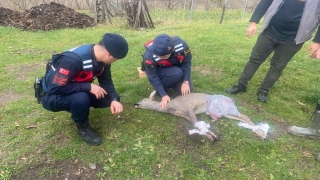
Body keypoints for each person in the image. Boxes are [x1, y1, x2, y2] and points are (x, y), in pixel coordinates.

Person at [40, 33, 128, 145]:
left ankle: (78, 107)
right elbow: (55, 88)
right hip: (51, 96)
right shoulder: (72, 61)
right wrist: (88, 86)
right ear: (109, 54)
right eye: (116, 59)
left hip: (71, 87)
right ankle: (83, 128)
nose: (115, 61)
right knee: (81, 99)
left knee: (108, 98)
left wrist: (114, 99)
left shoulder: (101, 59)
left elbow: (106, 81)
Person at [226, 0, 320, 103]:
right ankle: (241, 85)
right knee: (254, 60)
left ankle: (264, 90)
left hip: (293, 40)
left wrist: (317, 42)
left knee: (277, 67)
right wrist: (253, 22)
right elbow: (265, 2)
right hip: (269, 33)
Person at [141, 34, 193, 109]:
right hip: (161, 71)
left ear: (172, 49)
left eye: (164, 56)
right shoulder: (149, 55)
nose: (161, 58)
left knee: (189, 89)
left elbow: (186, 63)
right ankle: (161, 90)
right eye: (159, 56)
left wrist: (185, 81)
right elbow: (153, 76)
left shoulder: (182, 46)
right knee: (177, 72)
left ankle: (171, 82)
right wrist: (163, 94)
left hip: (174, 67)